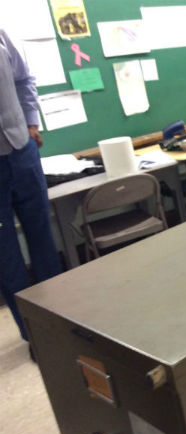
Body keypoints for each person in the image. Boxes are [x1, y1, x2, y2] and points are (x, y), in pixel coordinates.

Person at [0, 29, 62, 341]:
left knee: (43, 243)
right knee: (6, 257)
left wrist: (31, 121)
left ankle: (60, 323)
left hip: (22, 151)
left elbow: (24, 80)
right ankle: (35, 336)